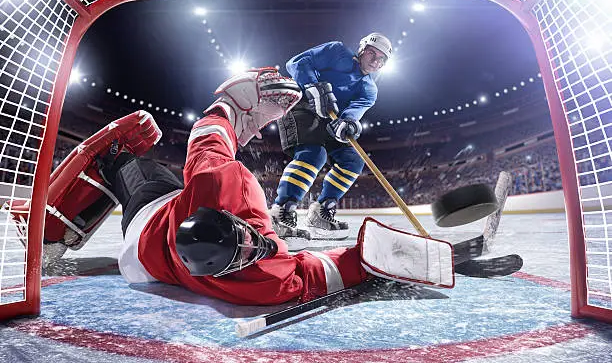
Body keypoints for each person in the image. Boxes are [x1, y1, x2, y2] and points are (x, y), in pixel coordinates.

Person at [5, 67, 453, 306]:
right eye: (253, 241)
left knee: (123, 160)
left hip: (148, 231)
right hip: (150, 251)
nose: (258, 245)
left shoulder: (214, 187)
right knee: (148, 168)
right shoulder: (267, 275)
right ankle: (65, 218)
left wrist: (230, 110)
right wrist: (396, 258)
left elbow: (208, 136)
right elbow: (332, 270)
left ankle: (59, 217)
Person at [271, 33, 393, 250]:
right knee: (314, 154)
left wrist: (349, 123)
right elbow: (296, 63)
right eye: (372, 53)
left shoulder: (370, 90)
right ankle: (281, 212)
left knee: (353, 161)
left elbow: (354, 112)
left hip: (330, 119)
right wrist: (312, 86)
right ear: (362, 48)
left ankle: (322, 212)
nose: (375, 61)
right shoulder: (336, 52)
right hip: (302, 107)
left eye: (381, 59)